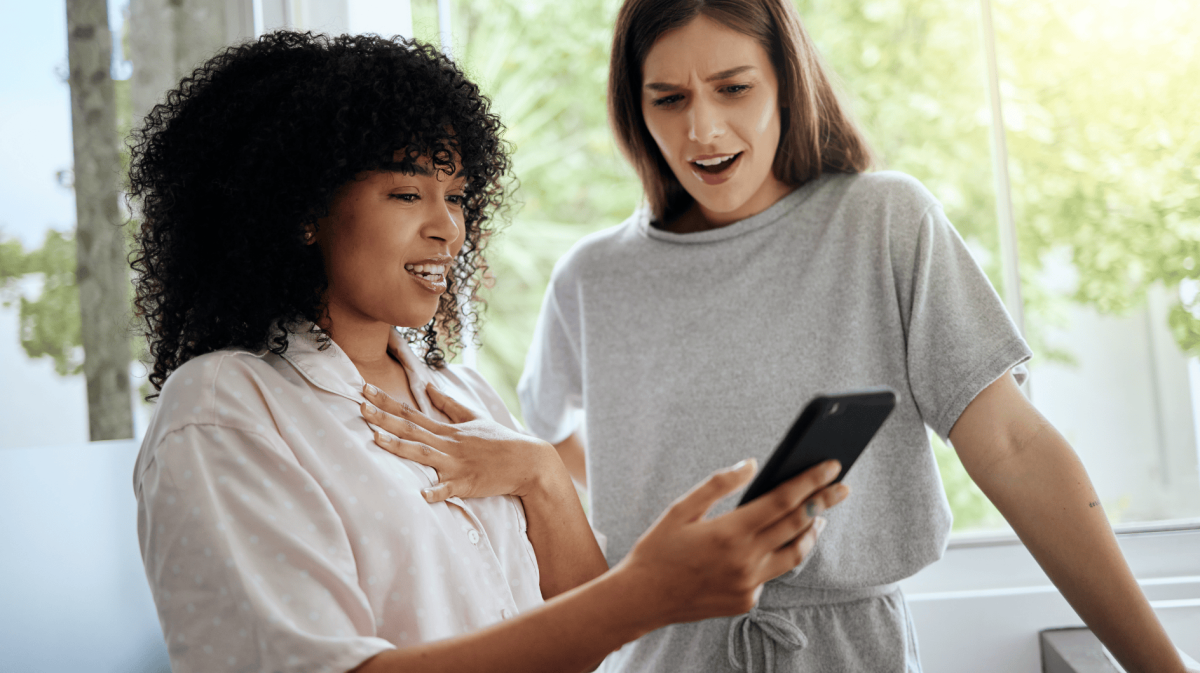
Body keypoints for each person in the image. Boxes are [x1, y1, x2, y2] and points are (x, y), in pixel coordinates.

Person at [128, 31, 851, 673]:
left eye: (459, 196)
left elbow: (587, 634)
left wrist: (541, 474)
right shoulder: (226, 407)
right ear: (304, 209)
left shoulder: (463, 393)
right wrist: (644, 593)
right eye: (408, 194)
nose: (449, 229)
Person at [511, 1, 1195, 672]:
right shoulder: (593, 278)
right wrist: (655, 516)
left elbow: (1014, 447)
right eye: (668, 99)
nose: (703, 130)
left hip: (850, 652)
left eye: (734, 89)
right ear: (636, 109)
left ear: (786, 83)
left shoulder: (885, 223)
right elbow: (547, 441)